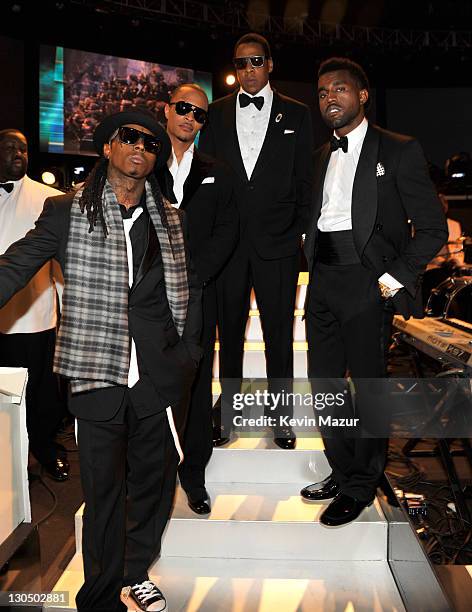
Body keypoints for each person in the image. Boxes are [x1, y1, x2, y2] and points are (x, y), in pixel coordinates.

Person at [0, 110, 202, 612]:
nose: (140, 147)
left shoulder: (171, 219)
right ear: (108, 148)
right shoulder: (66, 212)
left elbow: (187, 291)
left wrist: (185, 354)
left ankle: (137, 571)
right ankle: (100, 595)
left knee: (154, 489)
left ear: (156, 159)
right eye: (128, 137)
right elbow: (17, 265)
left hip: (156, 375)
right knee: (105, 495)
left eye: (151, 143)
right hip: (95, 373)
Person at [300, 57, 447, 527]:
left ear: (362, 95)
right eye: (322, 93)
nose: (329, 99)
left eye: (339, 90)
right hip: (322, 279)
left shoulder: (400, 150)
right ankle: (344, 470)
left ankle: (362, 484)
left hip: (367, 282)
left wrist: (391, 279)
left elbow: (432, 229)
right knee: (324, 385)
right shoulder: (322, 154)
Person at [199, 32, 314, 449]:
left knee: (279, 332)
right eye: (240, 62)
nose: (247, 69)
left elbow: (305, 179)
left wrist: (299, 231)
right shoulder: (214, 113)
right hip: (228, 246)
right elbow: (207, 178)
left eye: (255, 61)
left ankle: (280, 414)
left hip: (279, 244)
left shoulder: (298, 115)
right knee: (226, 333)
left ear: (270, 65)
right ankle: (227, 411)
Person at [156, 83, 238, 515]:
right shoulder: (143, 162)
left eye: (199, 114)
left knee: (198, 385)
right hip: (149, 298)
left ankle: (194, 476)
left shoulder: (217, 171)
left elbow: (228, 228)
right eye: (184, 108)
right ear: (167, 110)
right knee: (152, 388)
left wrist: (197, 275)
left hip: (198, 295)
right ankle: (155, 475)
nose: (190, 117)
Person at [0, 129, 68, 481]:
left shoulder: (50, 198)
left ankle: (45, 450)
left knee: (40, 396)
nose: (18, 154)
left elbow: (62, 264)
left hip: (32, 318)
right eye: (9, 147)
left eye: (23, 149)